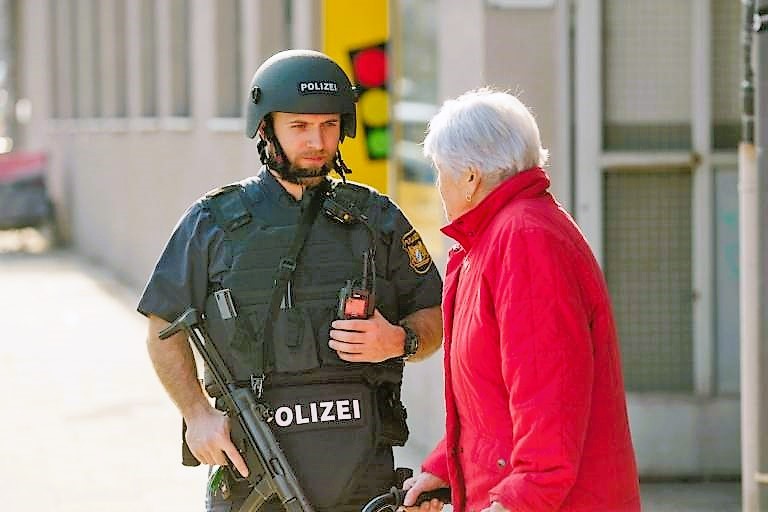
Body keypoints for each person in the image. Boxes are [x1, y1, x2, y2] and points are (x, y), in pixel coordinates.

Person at [138, 49, 443, 512]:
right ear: (266, 128)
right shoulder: (213, 222)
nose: (317, 141)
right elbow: (163, 325)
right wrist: (196, 414)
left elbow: (435, 313)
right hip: (253, 471)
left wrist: (401, 341)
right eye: (299, 126)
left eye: (328, 125)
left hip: (364, 473)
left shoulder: (377, 219)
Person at [402, 89, 641, 512]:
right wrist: (445, 468)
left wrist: (517, 502)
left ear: (470, 178)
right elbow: (488, 402)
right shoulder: (493, 240)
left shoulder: (525, 240)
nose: (439, 186)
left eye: (440, 172)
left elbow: (548, 397)